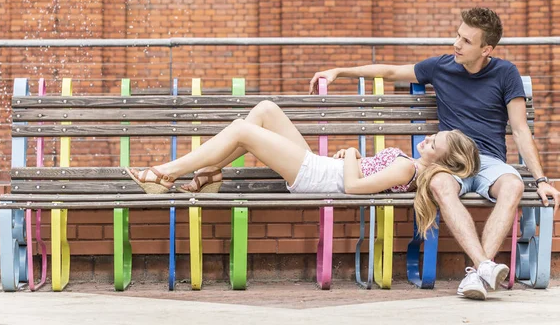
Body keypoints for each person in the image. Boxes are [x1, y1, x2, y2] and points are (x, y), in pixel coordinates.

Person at [309, 7, 560, 300]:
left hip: (489, 161)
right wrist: (340, 71)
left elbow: (520, 130)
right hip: (448, 161)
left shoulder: (506, 73)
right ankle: (483, 268)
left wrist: (541, 179)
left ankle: (478, 273)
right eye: (458, 36)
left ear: (486, 49)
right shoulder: (441, 67)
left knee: (514, 185)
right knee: (439, 184)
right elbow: (391, 71)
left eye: (467, 41)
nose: (457, 44)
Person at [128, 99, 479, 239]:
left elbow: (354, 188)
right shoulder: (408, 164)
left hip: (317, 177)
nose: (428, 140)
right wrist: (351, 158)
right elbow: (358, 175)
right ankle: (211, 175)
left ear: (442, 162)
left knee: (240, 129)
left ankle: (164, 173)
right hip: (322, 168)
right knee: (265, 109)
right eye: (434, 136)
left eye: (435, 144)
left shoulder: (407, 171)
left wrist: (353, 154)